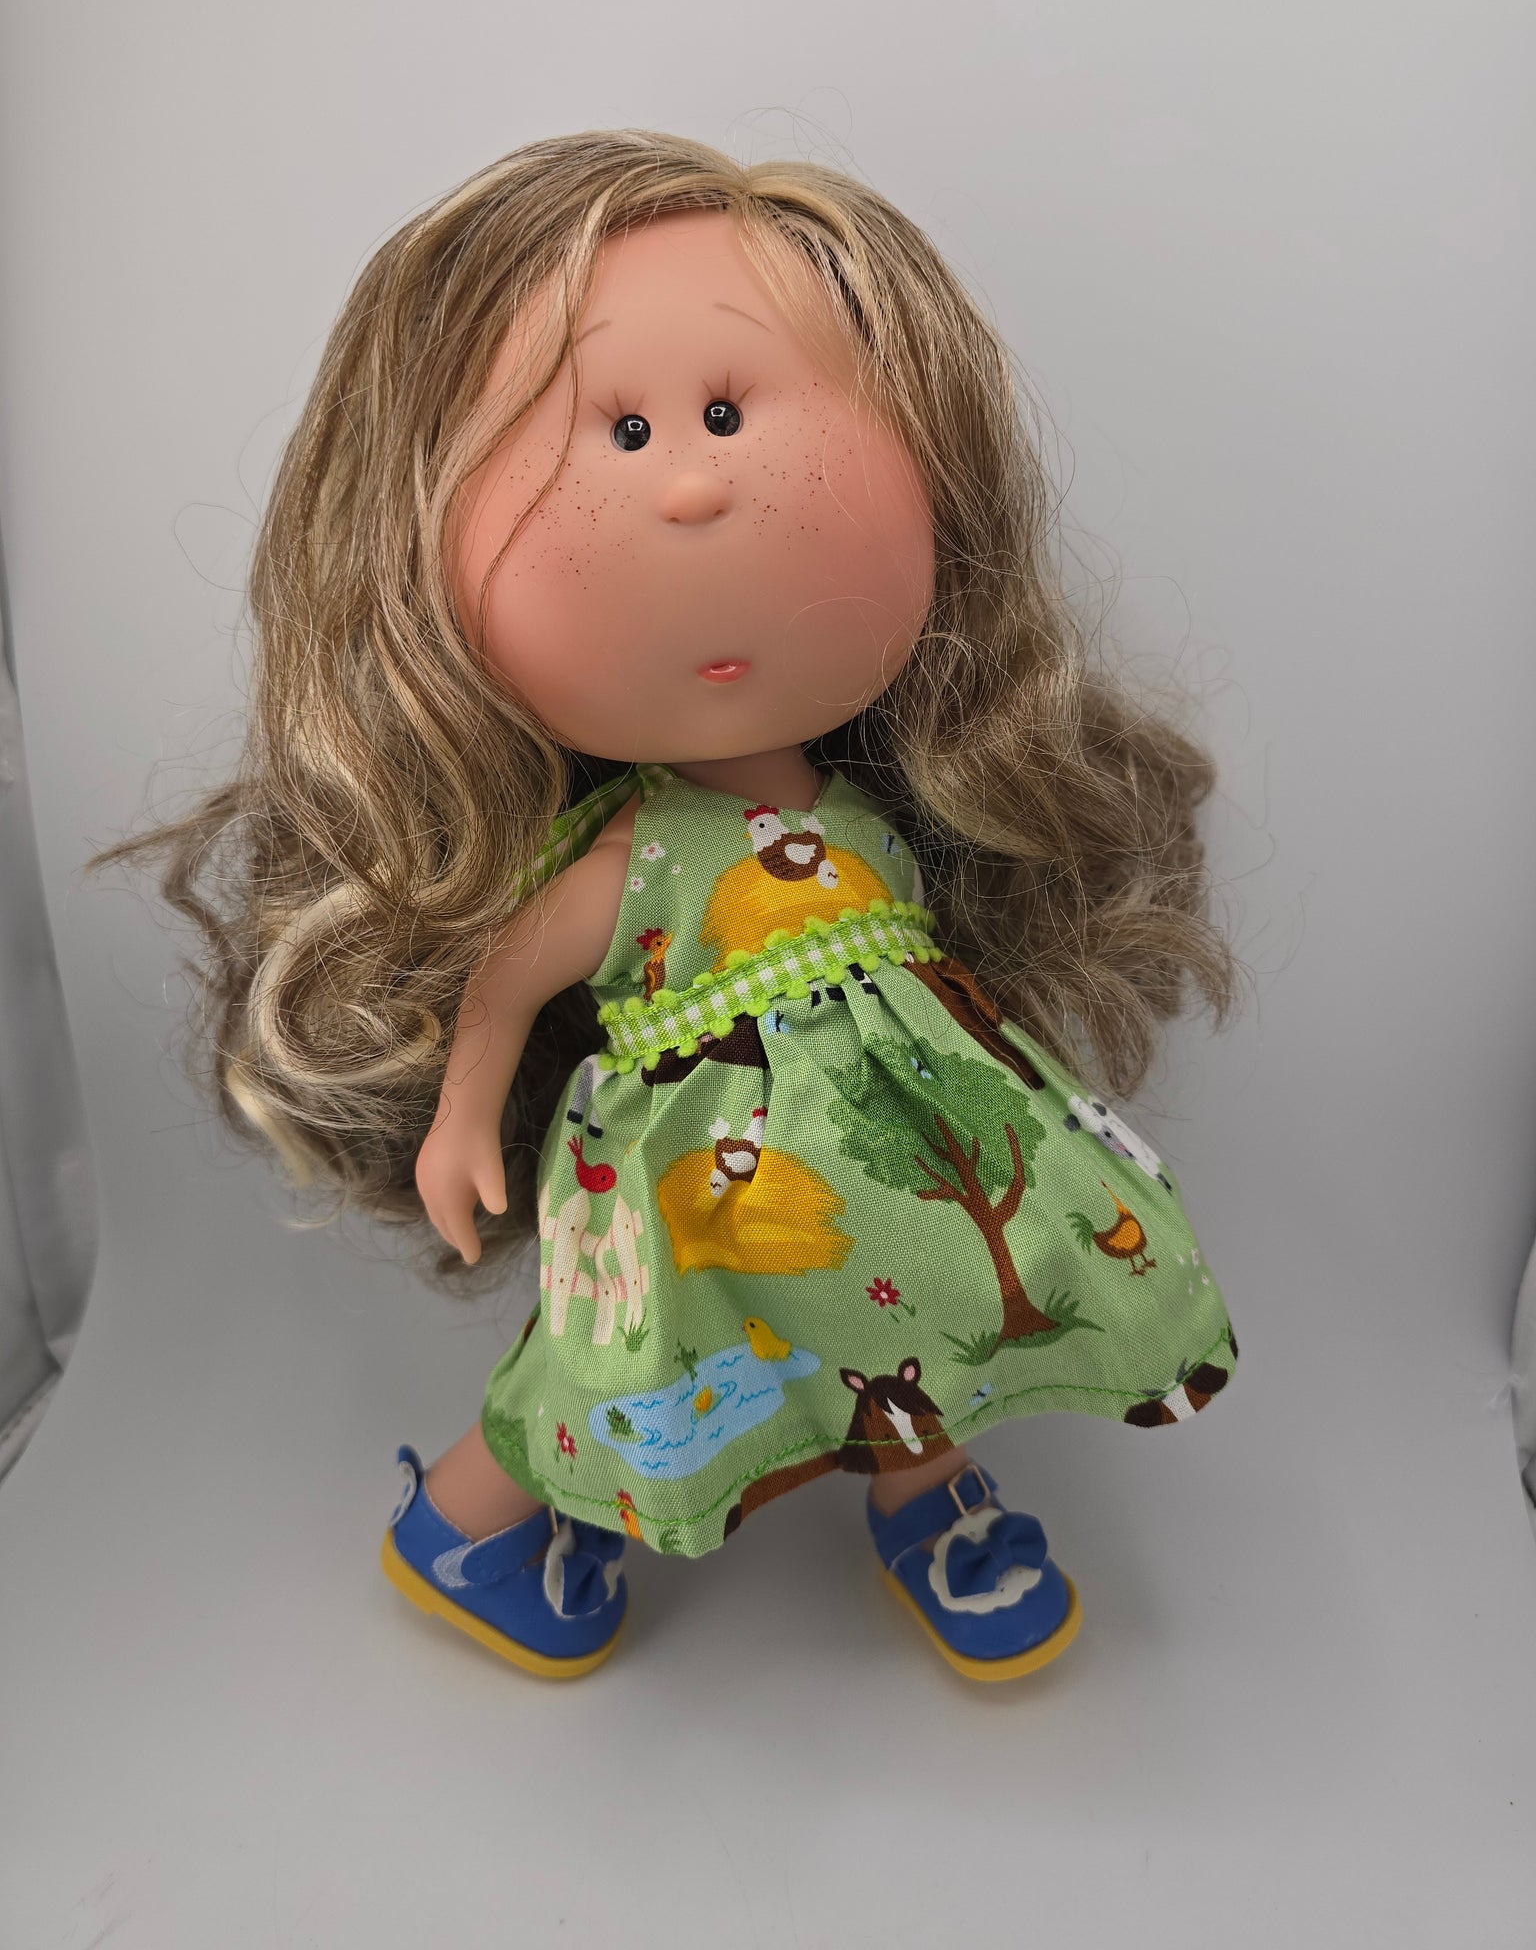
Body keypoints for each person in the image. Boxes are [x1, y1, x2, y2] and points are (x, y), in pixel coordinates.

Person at [94, 130, 1242, 1684]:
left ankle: (924, 1491)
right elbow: (509, 983)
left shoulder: (874, 816)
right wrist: (462, 1118)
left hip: (911, 1147)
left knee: (943, 1288)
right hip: (702, 1179)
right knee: (610, 1364)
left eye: (725, 411)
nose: (697, 481)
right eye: (623, 430)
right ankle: (465, 1520)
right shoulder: (630, 859)